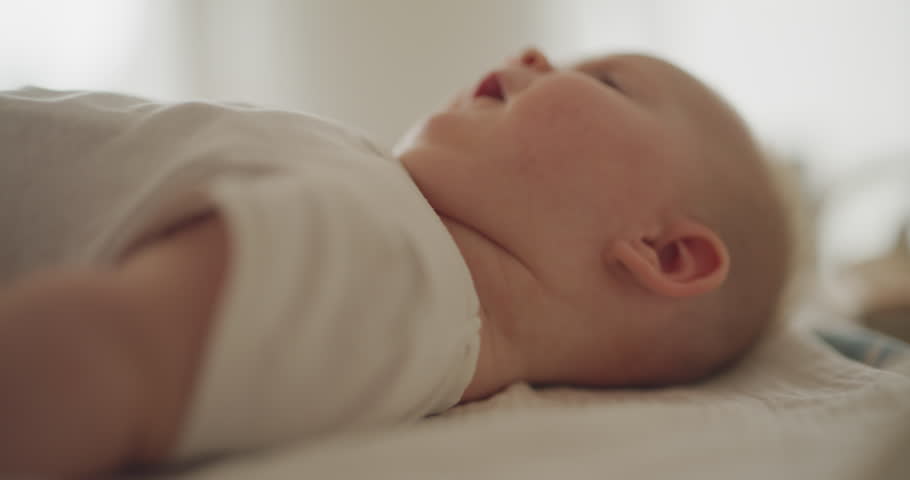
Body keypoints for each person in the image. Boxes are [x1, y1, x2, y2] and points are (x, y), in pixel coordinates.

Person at [0, 48, 791, 477]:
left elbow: (109, 353)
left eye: (605, 79)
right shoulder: (401, 236)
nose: (535, 53)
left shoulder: (398, 276)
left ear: (665, 252)